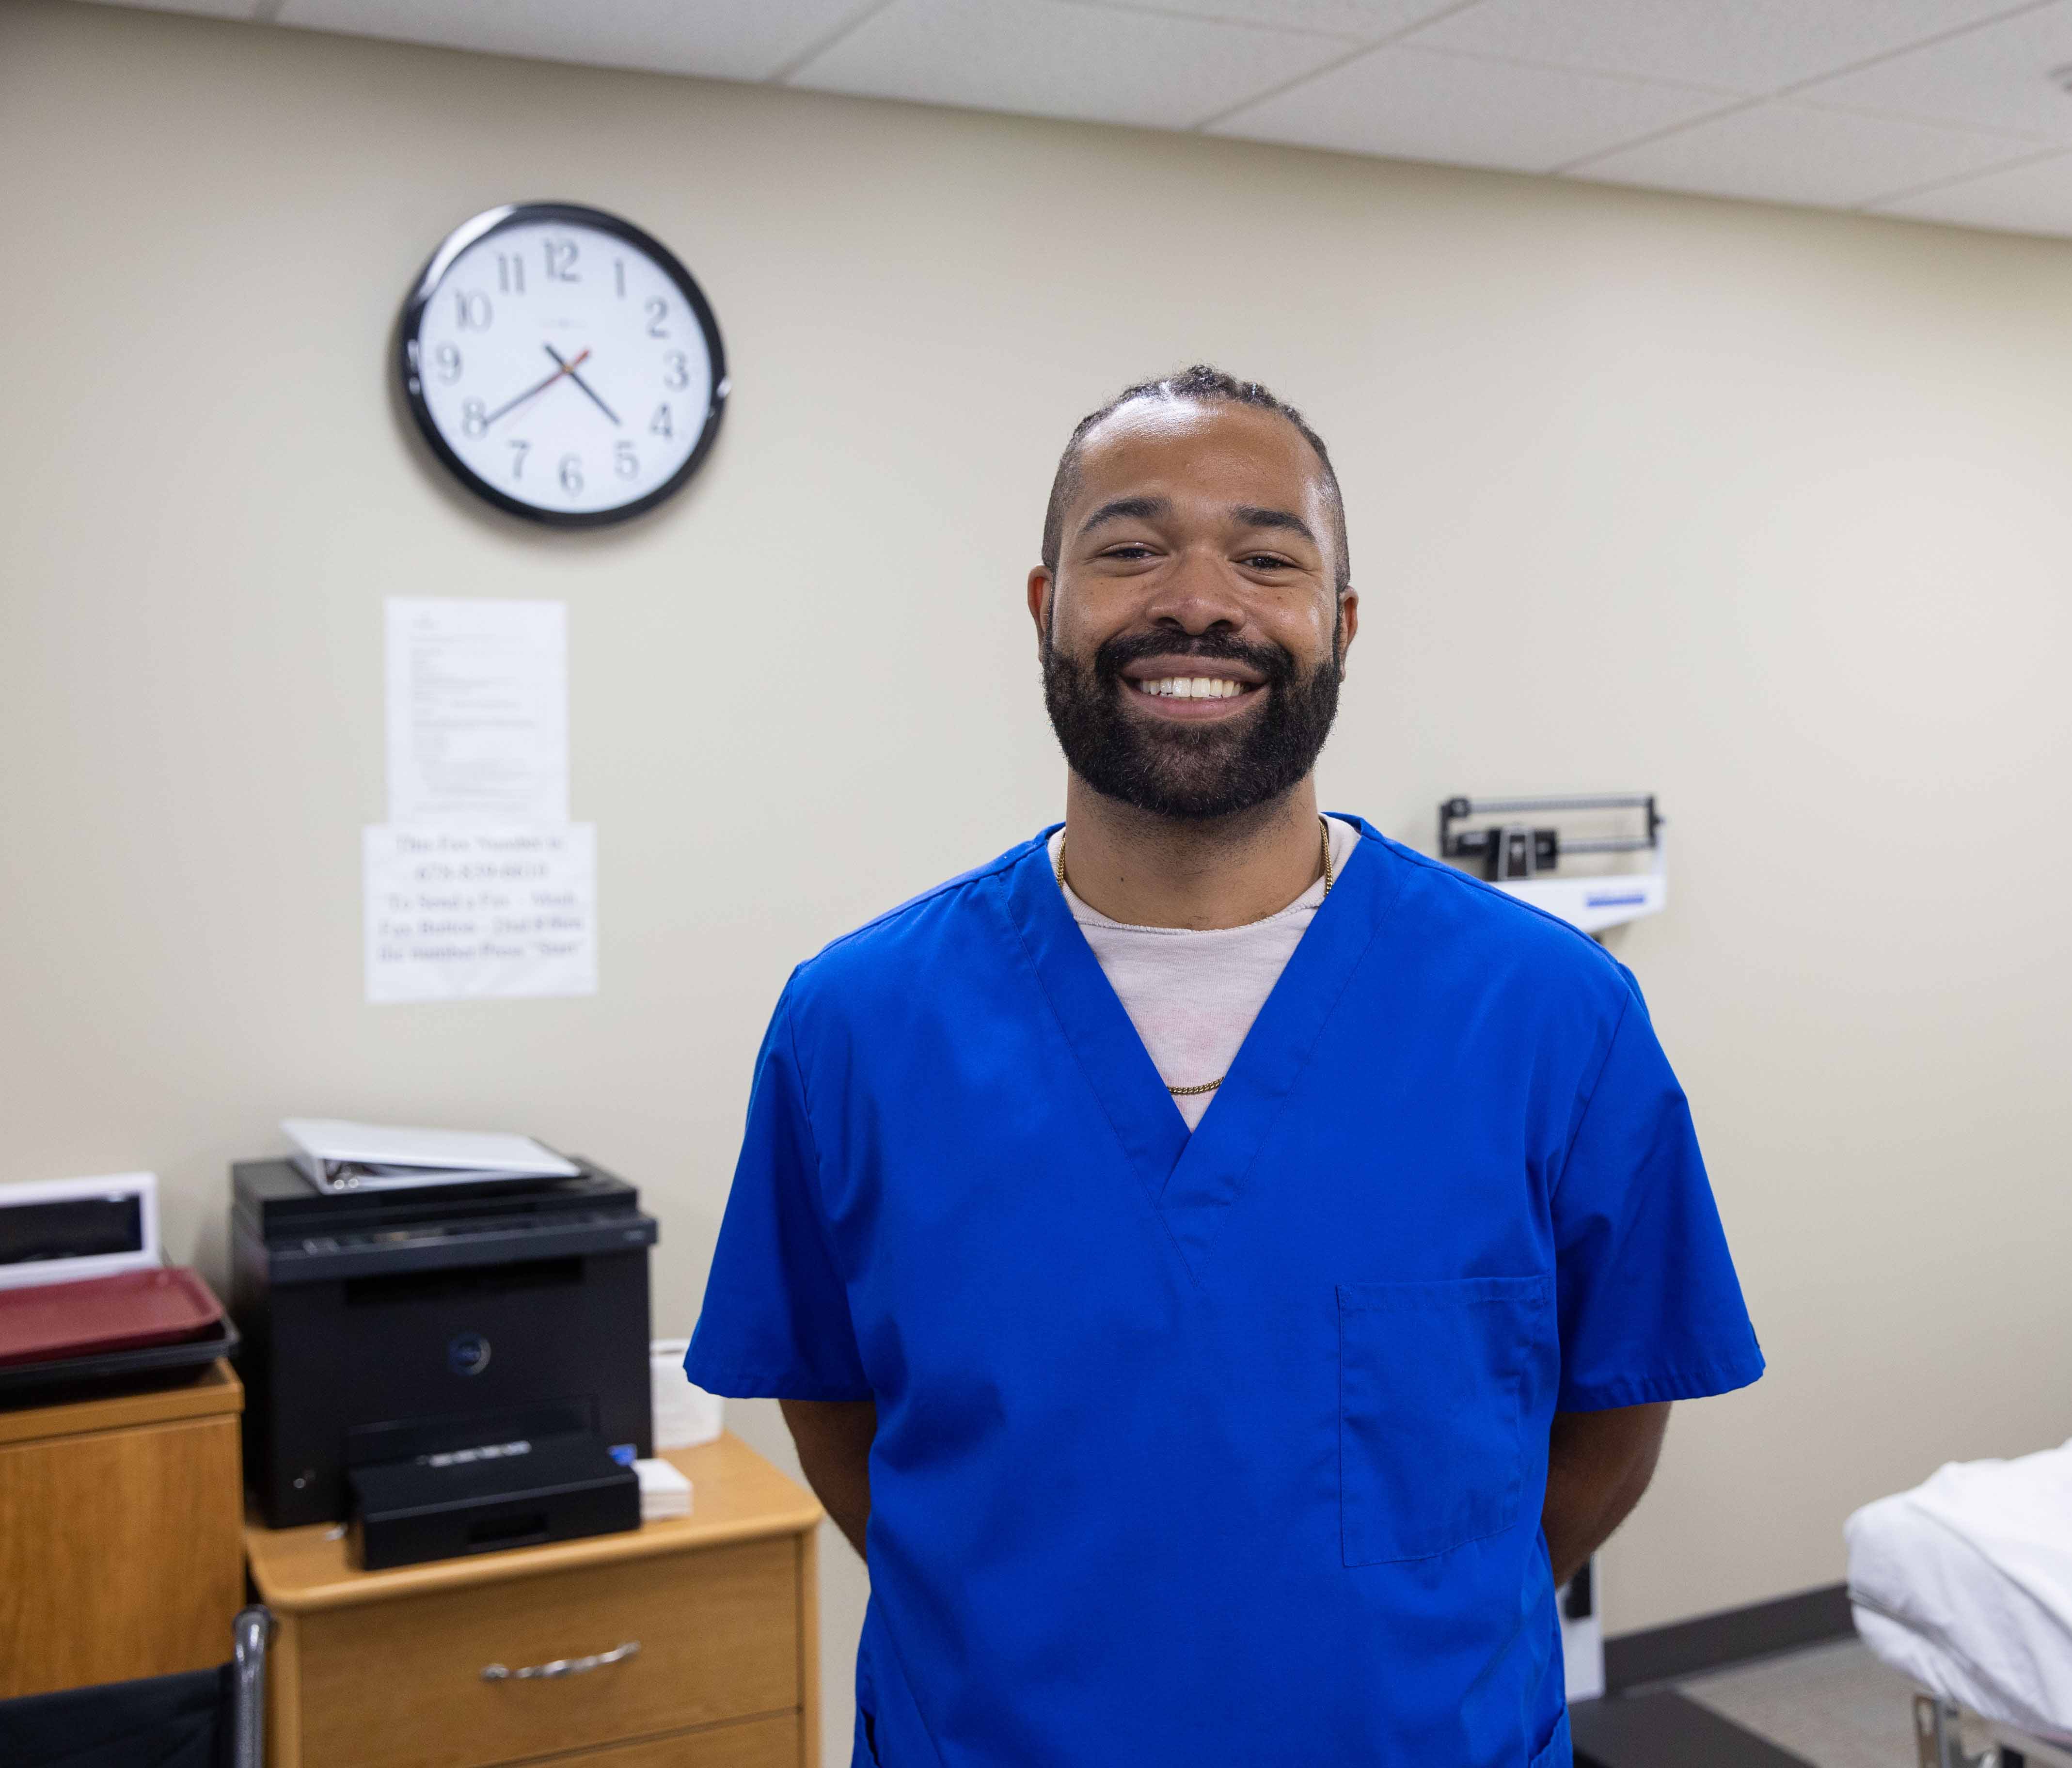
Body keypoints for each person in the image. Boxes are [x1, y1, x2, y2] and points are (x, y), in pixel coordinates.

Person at [685, 366, 1762, 1768]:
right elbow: (831, 1405)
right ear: (1044, 607)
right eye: (1130, 550)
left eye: (1266, 557)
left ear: (1340, 625)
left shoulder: (1554, 1015)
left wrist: (1404, 1639)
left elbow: (1612, 1424)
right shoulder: (856, 1024)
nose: (1200, 601)